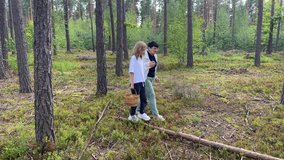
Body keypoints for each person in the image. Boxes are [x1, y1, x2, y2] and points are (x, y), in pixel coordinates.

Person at [137, 41, 165, 121]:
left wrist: (155, 76)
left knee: (144, 96)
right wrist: (148, 65)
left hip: (151, 78)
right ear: (149, 48)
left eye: (157, 49)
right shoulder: (143, 55)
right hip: (145, 78)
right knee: (152, 95)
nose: (156, 50)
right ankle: (156, 115)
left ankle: (137, 111)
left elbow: (154, 68)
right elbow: (139, 67)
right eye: (154, 48)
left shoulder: (155, 56)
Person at [128, 41, 154, 122]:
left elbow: (142, 69)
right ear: (139, 49)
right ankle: (131, 115)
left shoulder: (140, 58)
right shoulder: (134, 58)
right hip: (136, 83)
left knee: (144, 99)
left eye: (145, 49)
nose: (144, 51)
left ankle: (141, 113)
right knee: (135, 100)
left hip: (142, 82)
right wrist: (132, 85)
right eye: (143, 49)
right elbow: (131, 72)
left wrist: (149, 65)